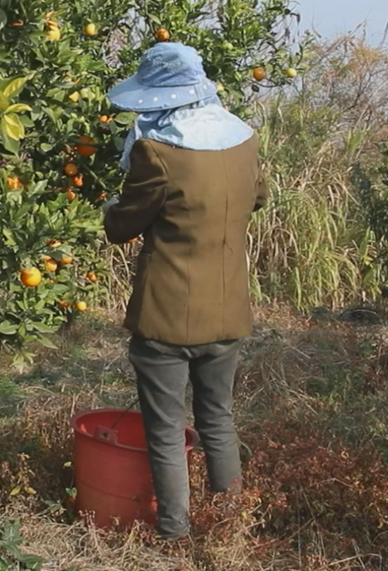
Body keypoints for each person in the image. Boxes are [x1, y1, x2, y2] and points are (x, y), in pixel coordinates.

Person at [101, 41, 265, 541]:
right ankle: (231, 527)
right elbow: (257, 197)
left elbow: (121, 227)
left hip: (166, 315)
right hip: (228, 310)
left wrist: (113, 200)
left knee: (167, 430)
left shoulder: (157, 152)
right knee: (218, 419)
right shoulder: (244, 143)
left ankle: (174, 536)